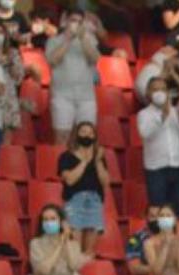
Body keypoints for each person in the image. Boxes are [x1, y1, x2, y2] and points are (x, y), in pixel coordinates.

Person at [138, 75, 179, 219]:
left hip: (177, 167)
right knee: (158, 212)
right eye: (155, 89)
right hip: (156, 169)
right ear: (148, 93)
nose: (160, 92)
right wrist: (162, 115)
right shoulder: (144, 114)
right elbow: (145, 132)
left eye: (163, 89)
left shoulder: (177, 111)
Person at [45, 8, 98, 146]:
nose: (76, 24)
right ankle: (61, 167)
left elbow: (94, 58)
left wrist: (83, 39)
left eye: (80, 22)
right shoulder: (54, 41)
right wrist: (68, 39)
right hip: (62, 95)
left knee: (86, 138)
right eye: (73, 21)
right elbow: (52, 61)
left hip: (86, 97)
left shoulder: (89, 40)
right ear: (65, 21)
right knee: (61, 137)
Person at [59, 121, 110, 256]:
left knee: (89, 252)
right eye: (83, 132)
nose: (87, 135)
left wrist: (98, 161)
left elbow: (105, 182)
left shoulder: (99, 158)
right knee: (74, 250)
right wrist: (85, 161)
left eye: (91, 133)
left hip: (95, 201)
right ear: (76, 135)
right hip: (74, 201)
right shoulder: (66, 156)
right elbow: (69, 180)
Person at [123, 204, 162, 275]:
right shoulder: (136, 240)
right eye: (153, 216)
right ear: (146, 218)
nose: (156, 220)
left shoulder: (172, 239)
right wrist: (157, 269)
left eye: (160, 216)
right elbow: (134, 268)